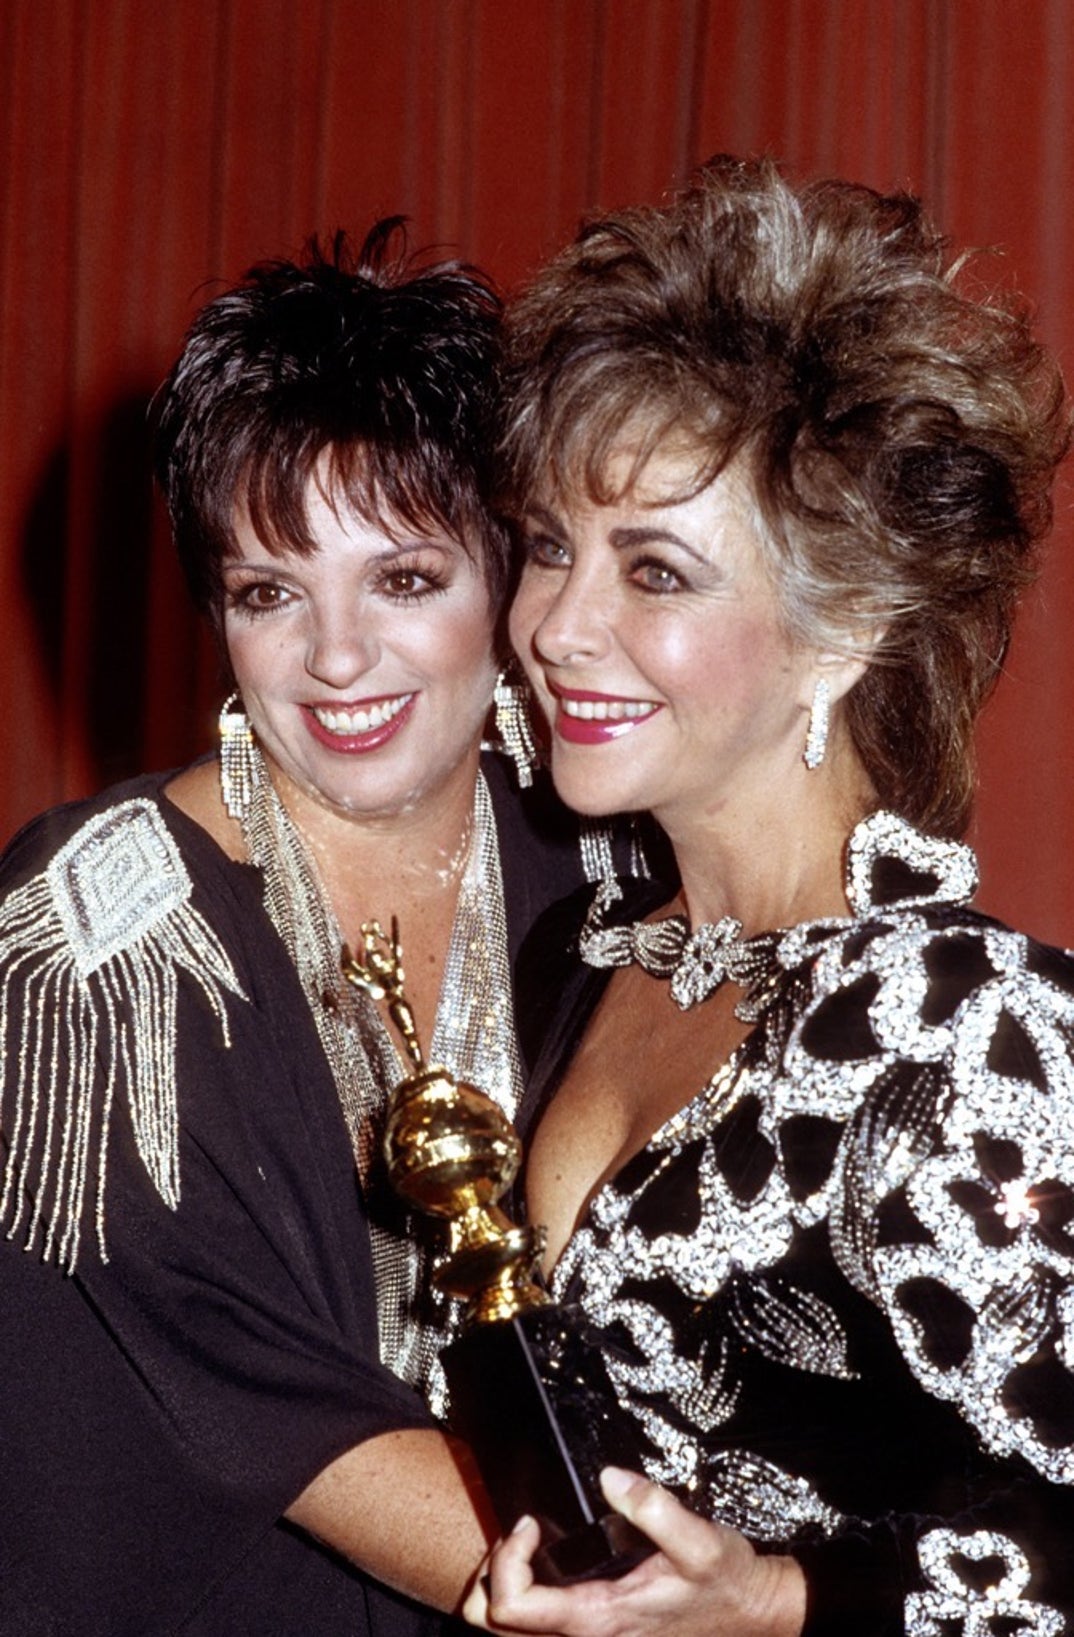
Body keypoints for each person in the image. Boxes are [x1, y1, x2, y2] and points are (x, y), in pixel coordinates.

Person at [473, 157, 1074, 1636]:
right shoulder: (579, 949)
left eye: (655, 572)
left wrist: (789, 1598)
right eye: (550, 547)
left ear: (841, 626)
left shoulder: (962, 1032)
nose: (558, 624)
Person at [0, 223, 627, 1634]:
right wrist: (667, 1594)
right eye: (268, 591)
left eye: (404, 580)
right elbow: (274, 1417)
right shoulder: (91, 939)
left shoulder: (619, 872)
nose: (335, 659)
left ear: (512, 580)